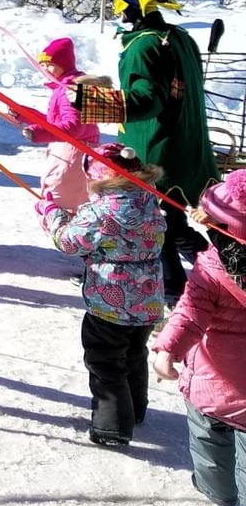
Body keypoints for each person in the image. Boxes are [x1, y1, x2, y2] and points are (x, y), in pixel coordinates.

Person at [74, 0, 218, 304]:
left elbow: (147, 100)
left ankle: (176, 296)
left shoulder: (144, 45)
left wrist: (88, 101)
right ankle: (223, 273)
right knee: (175, 224)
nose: (115, 9)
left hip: (157, 151)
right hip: (186, 146)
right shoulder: (179, 36)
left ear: (131, 4)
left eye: (118, 2)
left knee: (158, 229)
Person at [35, 143, 165, 447]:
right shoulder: (149, 200)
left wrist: (52, 214)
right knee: (134, 353)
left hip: (110, 301)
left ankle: (112, 426)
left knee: (105, 362)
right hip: (147, 300)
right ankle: (135, 409)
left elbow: (68, 242)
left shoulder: (101, 210)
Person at [152, 171, 246, 506]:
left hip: (213, 387)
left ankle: (218, 495)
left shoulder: (212, 267)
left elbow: (190, 311)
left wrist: (167, 350)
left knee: (209, 449)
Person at [20, 38, 102, 214]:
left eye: (49, 64)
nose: (45, 69)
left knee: (61, 205)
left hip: (74, 152)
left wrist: (38, 132)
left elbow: (73, 127)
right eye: (42, 64)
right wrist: (24, 114)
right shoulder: (64, 88)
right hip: (70, 150)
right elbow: (54, 124)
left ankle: (71, 239)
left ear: (63, 64)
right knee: (61, 205)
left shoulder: (70, 89)